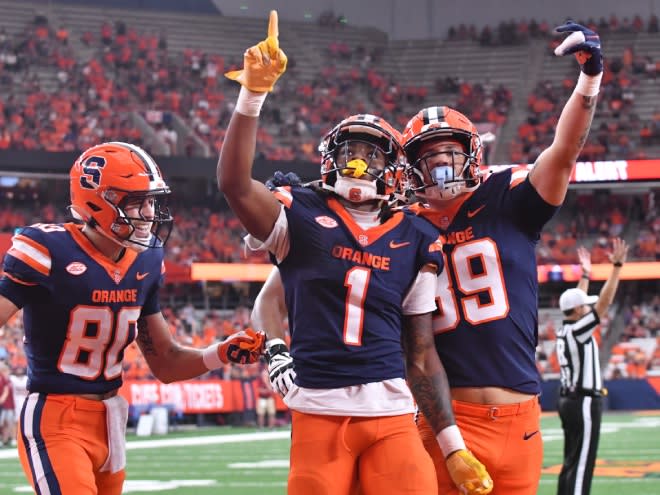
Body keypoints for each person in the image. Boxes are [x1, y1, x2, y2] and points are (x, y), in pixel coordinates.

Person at [218, 11, 491, 495]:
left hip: (390, 413)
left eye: (373, 153)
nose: (359, 162)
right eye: (349, 153)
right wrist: (252, 95)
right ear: (330, 159)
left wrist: (452, 445)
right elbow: (235, 184)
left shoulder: (416, 235)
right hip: (319, 411)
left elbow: (422, 354)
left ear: (394, 169)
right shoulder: (299, 212)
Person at [398, 20, 606, 495]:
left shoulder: (507, 198)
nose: (441, 166)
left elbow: (564, 151)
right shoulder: (403, 223)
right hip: (447, 417)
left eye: (449, 152)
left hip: (521, 417)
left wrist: (589, 80)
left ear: (472, 154)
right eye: (429, 158)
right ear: (411, 168)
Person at [0, 141, 264, 495]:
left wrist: (220, 353)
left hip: (111, 419)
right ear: (98, 201)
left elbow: (166, 363)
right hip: (55, 418)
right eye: (136, 202)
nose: (149, 213)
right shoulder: (48, 249)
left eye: (152, 201)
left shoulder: (147, 259)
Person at [555, 238, 628, 495]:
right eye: (583, 306)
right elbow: (602, 306)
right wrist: (617, 268)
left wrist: (585, 274)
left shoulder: (566, 328)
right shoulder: (578, 330)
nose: (587, 308)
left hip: (569, 400)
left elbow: (577, 303)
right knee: (583, 462)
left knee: (571, 461)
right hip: (583, 401)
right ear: (577, 311)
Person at [0, 361, 16, 447]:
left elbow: (6, 391)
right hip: (4, 405)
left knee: (8, 422)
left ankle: (8, 439)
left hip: (9, 405)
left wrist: (2, 398)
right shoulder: (3, 378)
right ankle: (3, 439)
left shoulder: (8, 379)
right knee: (2, 423)